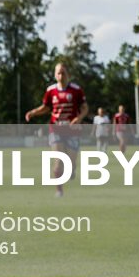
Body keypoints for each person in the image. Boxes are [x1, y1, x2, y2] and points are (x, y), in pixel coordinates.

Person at [25, 61, 85, 198]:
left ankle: (71, 169)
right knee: (58, 162)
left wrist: (79, 118)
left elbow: (85, 107)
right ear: (55, 75)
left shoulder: (76, 90)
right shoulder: (50, 91)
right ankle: (59, 190)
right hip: (56, 129)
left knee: (70, 164)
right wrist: (33, 112)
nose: (61, 75)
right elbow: (45, 107)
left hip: (73, 130)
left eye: (63, 72)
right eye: (58, 73)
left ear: (68, 74)